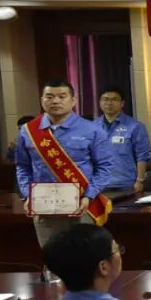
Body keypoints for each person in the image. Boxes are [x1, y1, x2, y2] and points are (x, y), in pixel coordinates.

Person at [15, 80, 115, 248]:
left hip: (82, 205)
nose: (55, 101)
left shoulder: (92, 130)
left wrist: (89, 196)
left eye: (62, 96)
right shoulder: (28, 131)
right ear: (42, 100)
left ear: (73, 101)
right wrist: (27, 195)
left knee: (84, 256)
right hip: (44, 206)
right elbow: (23, 167)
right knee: (52, 255)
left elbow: (106, 168)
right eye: (49, 97)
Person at [96, 86, 151, 196]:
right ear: (100, 102)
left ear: (122, 103)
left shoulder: (135, 126)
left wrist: (140, 181)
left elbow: (142, 156)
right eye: (105, 99)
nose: (109, 103)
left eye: (114, 99)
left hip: (126, 185)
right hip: (99, 185)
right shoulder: (92, 127)